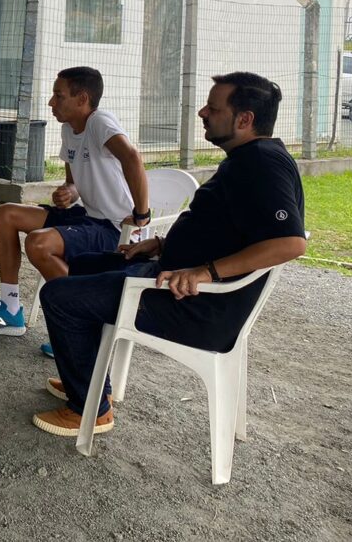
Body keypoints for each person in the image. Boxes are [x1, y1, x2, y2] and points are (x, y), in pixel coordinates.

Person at [32, 72, 306, 437]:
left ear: (245, 119)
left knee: (59, 296)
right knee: (82, 267)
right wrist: (162, 244)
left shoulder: (262, 165)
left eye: (213, 108)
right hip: (173, 277)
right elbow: (226, 231)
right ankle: (91, 382)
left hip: (194, 305)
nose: (202, 112)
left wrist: (205, 272)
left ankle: (91, 411)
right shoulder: (247, 159)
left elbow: (290, 243)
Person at [0, 67, 149, 346]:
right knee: (7, 214)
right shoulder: (68, 128)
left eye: (58, 96)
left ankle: (83, 325)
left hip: (114, 228)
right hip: (88, 216)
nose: (51, 102)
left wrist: (142, 215)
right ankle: (10, 309)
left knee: (39, 244)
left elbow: (132, 157)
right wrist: (69, 193)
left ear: (82, 99)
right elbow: (72, 183)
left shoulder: (99, 121)